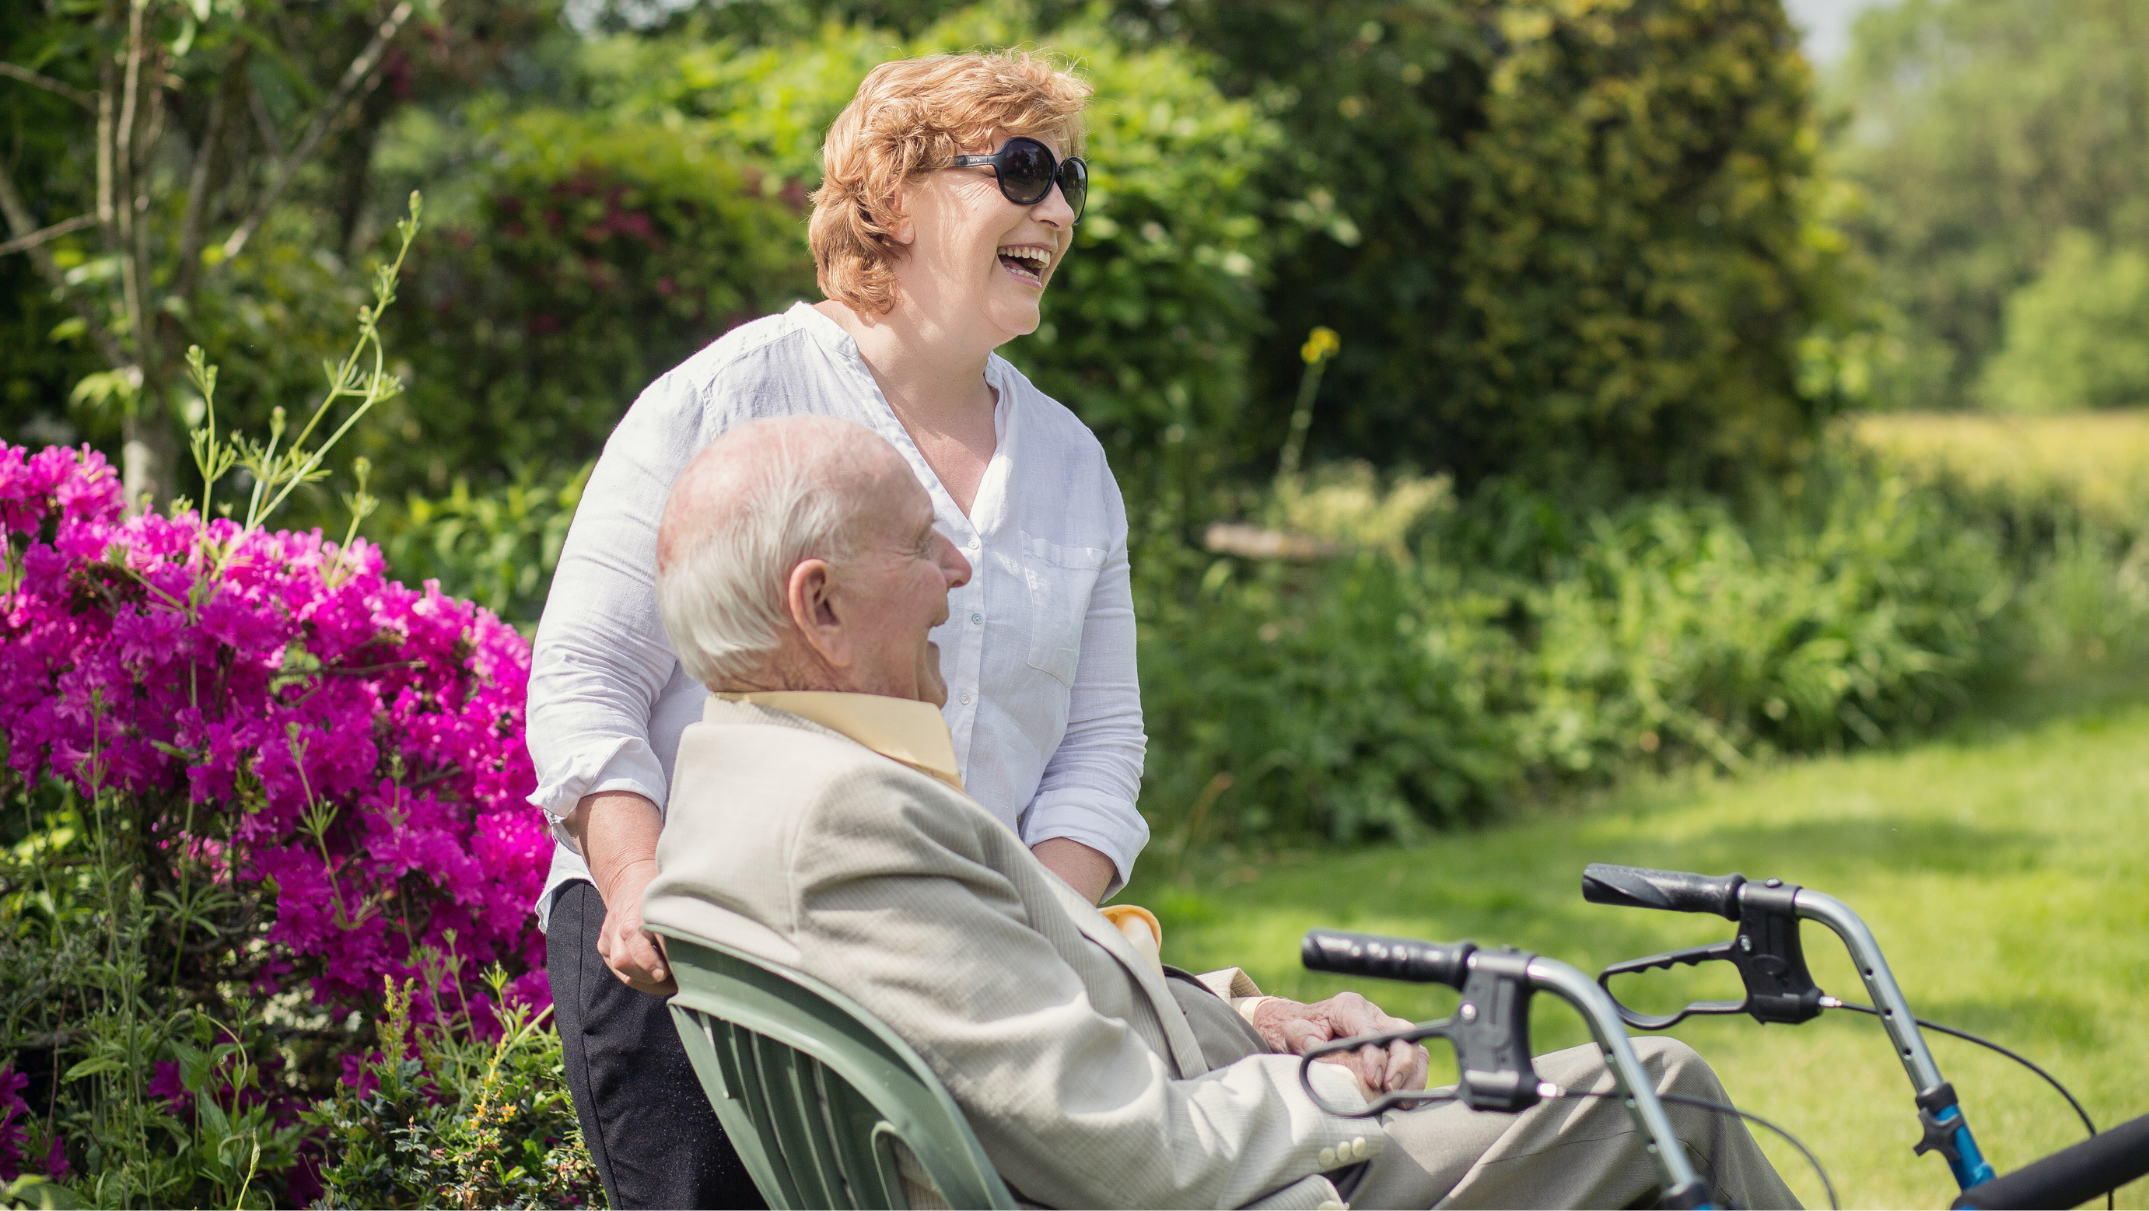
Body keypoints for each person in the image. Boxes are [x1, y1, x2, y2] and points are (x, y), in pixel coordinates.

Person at [640, 415, 1804, 1210]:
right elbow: (1122, 1142)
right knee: (1655, 1089)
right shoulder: (845, 820)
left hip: (1196, 1138)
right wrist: (1346, 1082)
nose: (956, 569)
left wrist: (1254, 1018)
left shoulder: (753, 776)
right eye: (918, 541)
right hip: (1226, 1189)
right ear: (821, 604)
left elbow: (1022, 1005)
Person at [526, 50, 1145, 1208]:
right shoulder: (723, 399)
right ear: (892, 199)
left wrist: (1035, 934)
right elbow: (584, 675)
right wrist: (637, 882)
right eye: (1018, 170)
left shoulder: (1070, 464)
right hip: (702, 963)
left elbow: (1100, 748)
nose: (1054, 207)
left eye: (1067, 176)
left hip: (960, 974)